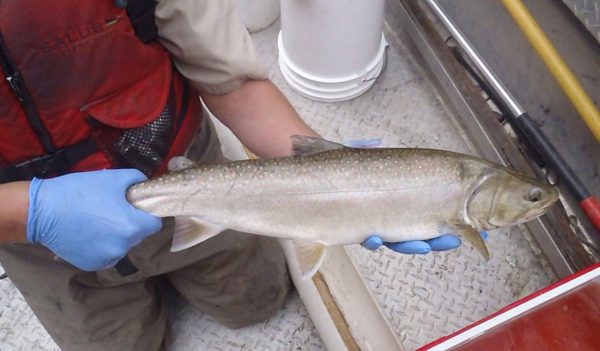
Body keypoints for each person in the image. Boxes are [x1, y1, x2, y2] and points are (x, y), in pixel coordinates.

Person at [0, 1, 467, 350]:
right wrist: (34, 213)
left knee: (258, 300)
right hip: (36, 242)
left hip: (195, 175)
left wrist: (333, 169)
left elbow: (235, 83)